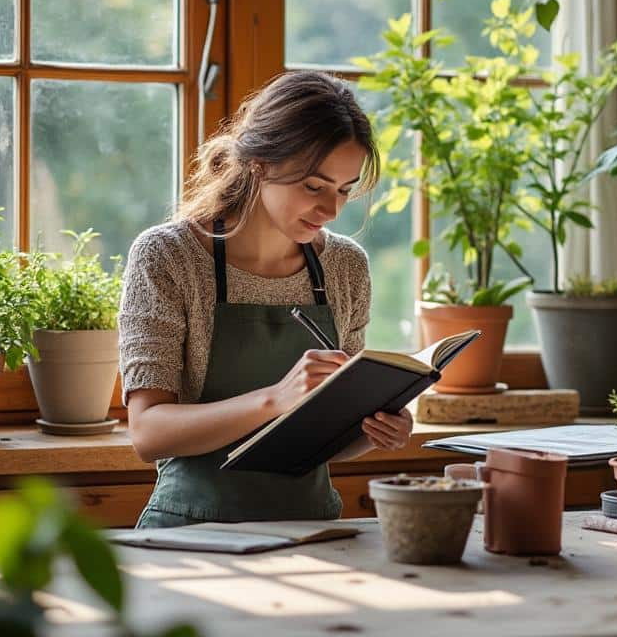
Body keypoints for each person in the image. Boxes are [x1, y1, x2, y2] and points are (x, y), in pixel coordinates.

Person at [119, 70, 413, 528]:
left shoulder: (345, 267)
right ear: (259, 164)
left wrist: (374, 430)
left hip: (312, 532)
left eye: (344, 190)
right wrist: (275, 399)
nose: (331, 210)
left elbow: (331, 436)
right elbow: (147, 432)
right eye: (314, 186)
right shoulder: (169, 256)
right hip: (191, 533)